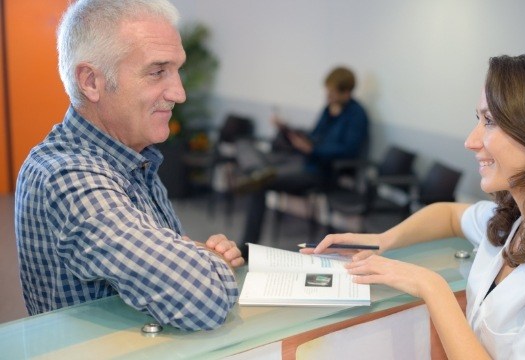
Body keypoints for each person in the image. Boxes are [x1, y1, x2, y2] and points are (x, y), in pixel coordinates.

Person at [303, 53, 525, 358]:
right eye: (478, 119)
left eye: (490, 121)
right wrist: (382, 241)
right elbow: (448, 215)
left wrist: (431, 286)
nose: (471, 141)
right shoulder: (518, 218)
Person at [14, 0, 244, 331]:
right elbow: (201, 299)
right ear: (91, 82)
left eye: (177, 70)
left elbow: (158, 254)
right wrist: (210, 263)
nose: (179, 93)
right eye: (157, 72)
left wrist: (194, 256)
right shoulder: (67, 176)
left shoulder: (132, 156)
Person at [239, 66, 369, 256]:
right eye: (328, 91)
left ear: (346, 92)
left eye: (332, 92)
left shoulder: (357, 115)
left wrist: (314, 150)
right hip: (302, 161)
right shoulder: (328, 110)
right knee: (244, 144)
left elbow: (349, 150)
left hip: (322, 172)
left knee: (260, 184)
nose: (328, 96)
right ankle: (258, 171)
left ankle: (247, 246)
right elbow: (314, 135)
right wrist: (289, 130)